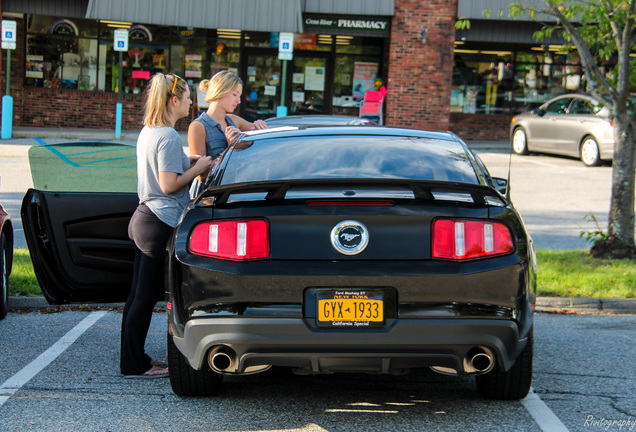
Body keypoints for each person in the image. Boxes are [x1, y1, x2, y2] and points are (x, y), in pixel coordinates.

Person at [121, 73, 212, 378]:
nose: (190, 103)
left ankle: (135, 358)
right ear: (174, 100)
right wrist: (198, 167)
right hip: (160, 221)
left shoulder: (151, 130)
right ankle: (133, 365)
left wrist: (189, 160)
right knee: (145, 299)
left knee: (136, 296)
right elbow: (168, 183)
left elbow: (164, 167)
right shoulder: (169, 135)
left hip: (143, 217)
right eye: (188, 98)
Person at [188, 70, 267, 194]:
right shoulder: (198, 126)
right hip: (211, 197)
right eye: (235, 94)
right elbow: (201, 176)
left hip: (235, 191)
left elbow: (262, 134)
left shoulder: (234, 120)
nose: (239, 101)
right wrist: (230, 149)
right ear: (221, 92)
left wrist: (260, 125)